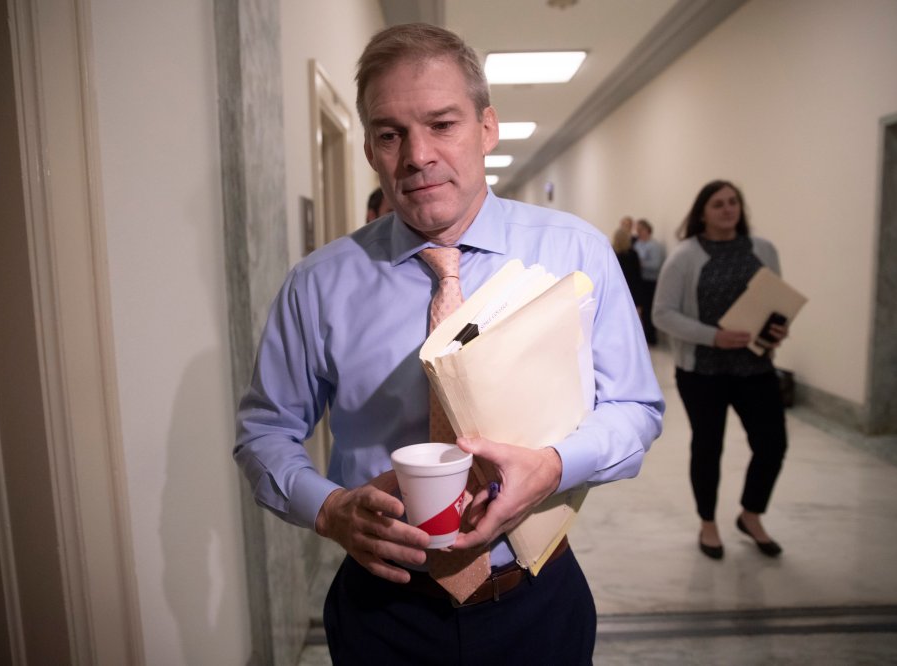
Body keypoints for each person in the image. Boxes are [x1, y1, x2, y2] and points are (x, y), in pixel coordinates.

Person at [234, 23, 664, 664]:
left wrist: (553, 465)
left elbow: (633, 407)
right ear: (370, 151)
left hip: (535, 597)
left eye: (442, 124)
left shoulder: (575, 254)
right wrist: (329, 510)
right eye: (390, 133)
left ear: (486, 128)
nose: (417, 155)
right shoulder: (318, 284)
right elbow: (264, 432)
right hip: (382, 610)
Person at [652, 179, 789, 561]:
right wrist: (714, 337)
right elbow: (663, 313)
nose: (728, 210)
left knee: (772, 444)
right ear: (702, 213)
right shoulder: (685, 257)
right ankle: (708, 523)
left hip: (755, 367)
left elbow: (775, 302)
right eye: (718, 204)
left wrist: (778, 329)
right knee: (708, 447)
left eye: (733, 203)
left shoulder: (763, 250)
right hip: (703, 372)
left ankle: (751, 514)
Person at [633, 219, 665, 345]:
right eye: (638, 230)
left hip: (650, 282)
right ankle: (642, 336)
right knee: (640, 310)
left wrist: (641, 264)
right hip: (640, 281)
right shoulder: (638, 244)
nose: (639, 232)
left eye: (641, 229)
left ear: (648, 230)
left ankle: (651, 337)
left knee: (648, 309)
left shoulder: (654, 246)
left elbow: (656, 264)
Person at [612, 225, 642, 311]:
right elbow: (637, 276)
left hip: (616, 290)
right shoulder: (633, 254)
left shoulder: (612, 253)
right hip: (631, 289)